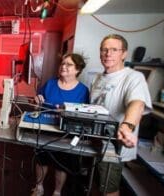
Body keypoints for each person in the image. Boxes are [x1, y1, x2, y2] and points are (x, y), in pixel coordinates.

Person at [90, 34, 152, 196]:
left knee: (109, 190)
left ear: (124, 53)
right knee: (96, 184)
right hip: (95, 142)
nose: (108, 54)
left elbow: (137, 103)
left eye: (114, 50)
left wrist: (126, 126)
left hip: (113, 147)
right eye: (104, 50)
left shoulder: (133, 77)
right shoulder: (98, 78)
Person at [31, 53, 89, 196]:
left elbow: (85, 114)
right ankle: (39, 187)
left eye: (69, 64)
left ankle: (57, 192)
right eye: (62, 63)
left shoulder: (83, 90)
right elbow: (37, 103)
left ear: (78, 70)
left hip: (67, 133)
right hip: (46, 129)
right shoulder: (50, 84)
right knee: (41, 159)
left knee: (61, 164)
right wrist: (37, 100)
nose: (63, 66)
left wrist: (68, 111)